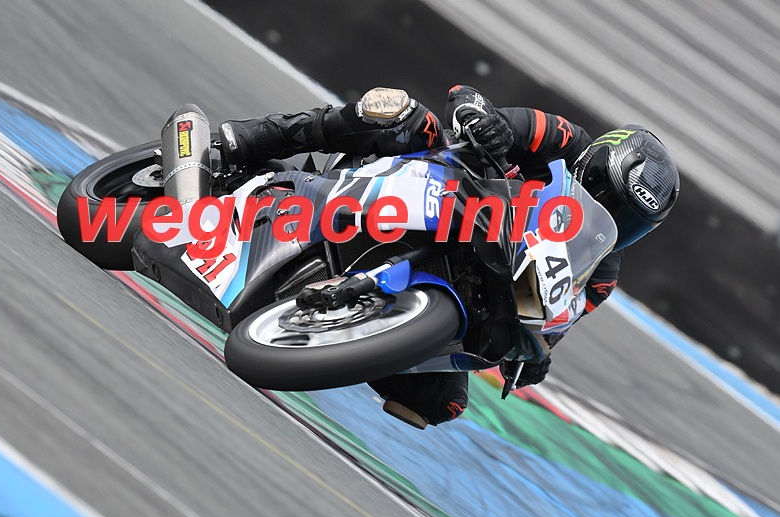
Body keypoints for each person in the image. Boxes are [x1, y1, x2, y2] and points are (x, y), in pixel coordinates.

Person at [219, 86, 680, 429]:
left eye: (630, 221)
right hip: (430, 190)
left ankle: (325, 330)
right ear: (593, 164)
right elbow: (466, 97)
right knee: (401, 114)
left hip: (477, 274)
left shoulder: (601, 274)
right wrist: (483, 121)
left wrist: (534, 357)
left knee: (442, 402)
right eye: (607, 196)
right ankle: (254, 139)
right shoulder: (562, 139)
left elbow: (550, 321)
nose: (613, 217)